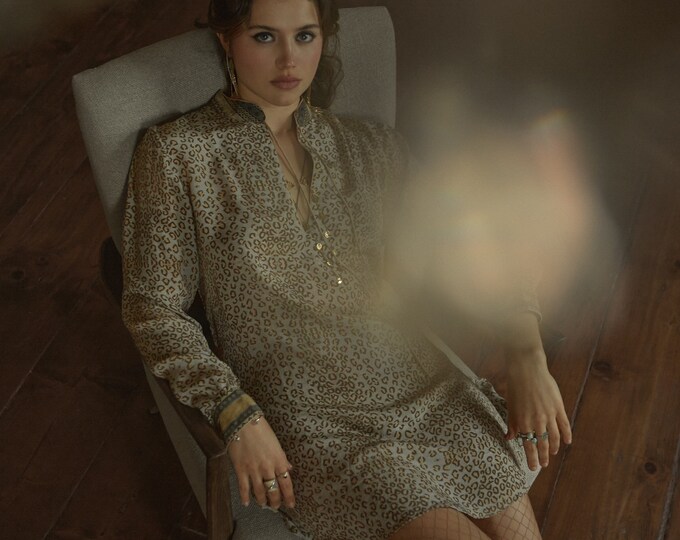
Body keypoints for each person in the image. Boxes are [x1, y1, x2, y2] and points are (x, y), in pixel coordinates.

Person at [121, 0, 572, 538]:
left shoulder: (370, 147)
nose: (289, 58)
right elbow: (154, 308)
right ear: (226, 39)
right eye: (264, 36)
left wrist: (527, 354)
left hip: (422, 384)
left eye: (305, 36)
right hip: (313, 420)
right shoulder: (178, 154)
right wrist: (235, 411)